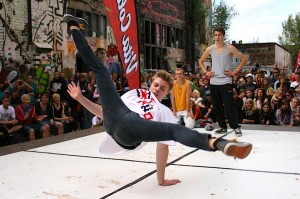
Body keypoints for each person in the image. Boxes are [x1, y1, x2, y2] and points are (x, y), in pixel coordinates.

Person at [63, 14, 253, 183]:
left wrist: (161, 179)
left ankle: (218, 144)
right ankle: (73, 26)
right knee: (100, 70)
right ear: (150, 84)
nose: (157, 90)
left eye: (162, 89)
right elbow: (105, 113)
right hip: (115, 121)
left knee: (173, 129)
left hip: (132, 134)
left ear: (166, 92)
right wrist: (80, 98)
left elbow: (163, 148)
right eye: (156, 85)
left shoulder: (164, 111)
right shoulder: (135, 93)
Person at [199, 26, 247, 136]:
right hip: (214, 81)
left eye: (219, 35)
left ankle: (235, 127)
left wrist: (234, 72)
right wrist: (206, 72)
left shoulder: (230, 48)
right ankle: (222, 127)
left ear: (223, 36)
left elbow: (244, 59)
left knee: (229, 105)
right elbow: (201, 61)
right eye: (215, 35)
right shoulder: (210, 49)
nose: (217, 37)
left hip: (226, 81)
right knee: (217, 106)